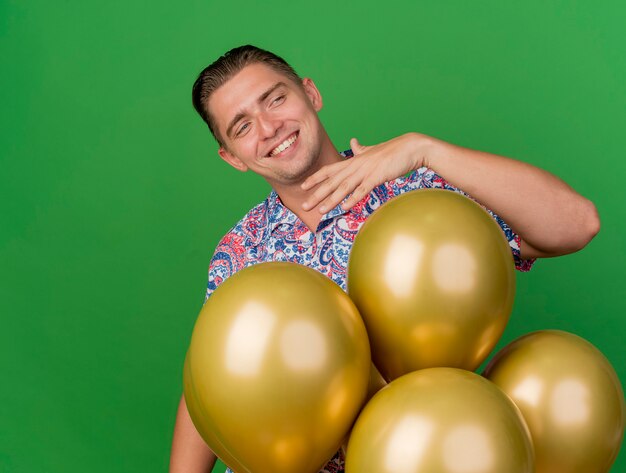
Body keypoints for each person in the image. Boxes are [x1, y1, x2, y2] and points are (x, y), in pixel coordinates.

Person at [170, 45, 600, 473]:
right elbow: (213, 380)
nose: (268, 128)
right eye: (242, 126)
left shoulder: (423, 199)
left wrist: (424, 149)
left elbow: (577, 224)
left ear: (311, 94)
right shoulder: (240, 251)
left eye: (276, 99)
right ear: (231, 157)